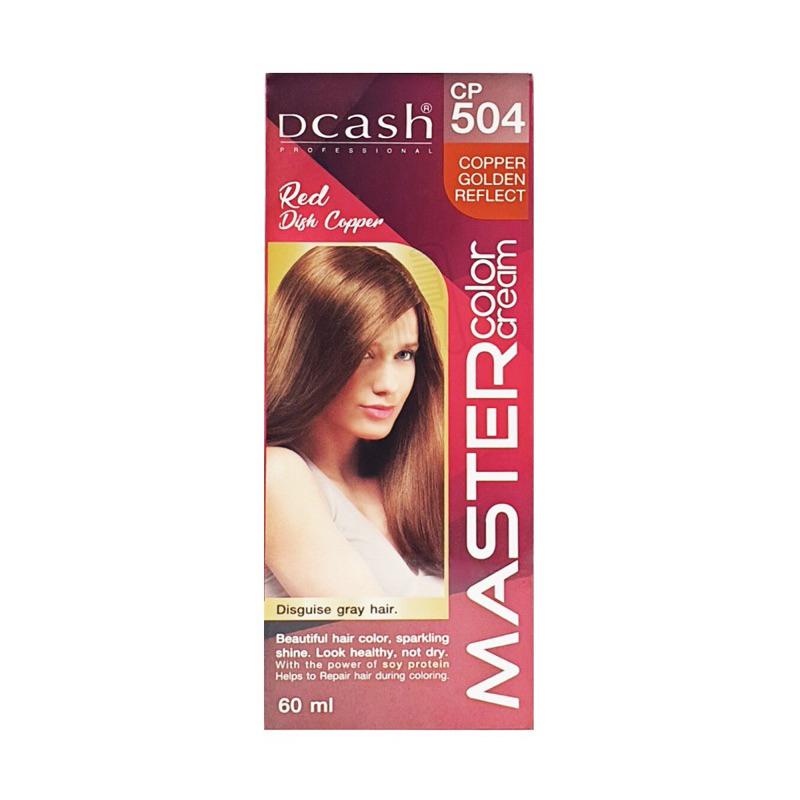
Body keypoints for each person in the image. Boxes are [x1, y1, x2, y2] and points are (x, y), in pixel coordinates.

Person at [264, 245, 445, 598]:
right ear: (307, 356)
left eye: (404, 354)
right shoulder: (275, 475)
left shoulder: (409, 483)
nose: (388, 385)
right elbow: (367, 627)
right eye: (364, 353)